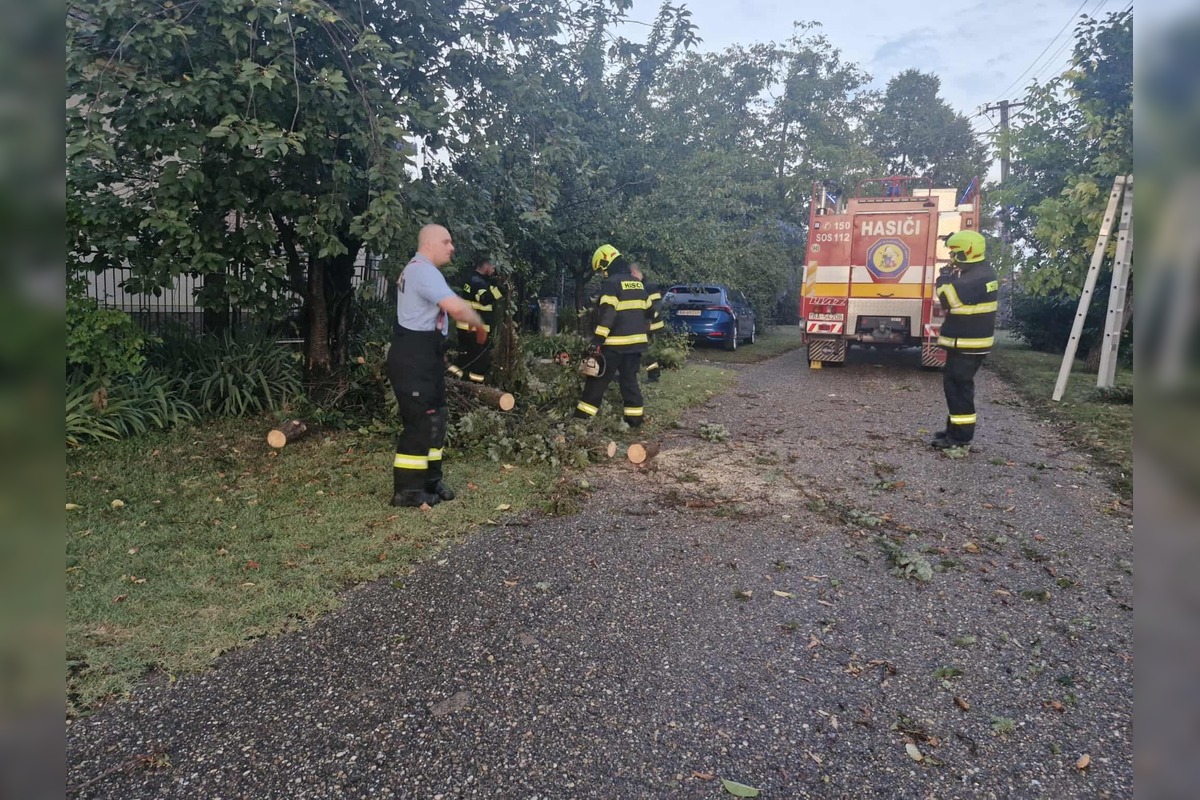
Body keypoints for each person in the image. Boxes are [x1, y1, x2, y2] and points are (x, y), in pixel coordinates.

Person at [388, 224, 486, 507]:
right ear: (430, 243)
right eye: (447, 241)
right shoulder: (422, 270)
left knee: (436, 419)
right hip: (413, 357)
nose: (452, 247)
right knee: (419, 423)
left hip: (426, 356)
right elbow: (454, 307)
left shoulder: (420, 270)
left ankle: (431, 481)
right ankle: (408, 491)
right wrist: (479, 324)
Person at [931, 229, 999, 449]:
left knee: (960, 390)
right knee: (955, 388)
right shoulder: (982, 272)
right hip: (967, 343)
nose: (952, 257)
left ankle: (959, 438)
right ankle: (954, 431)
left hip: (968, 344)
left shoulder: (975, 278)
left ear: (967, 252)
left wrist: (943, 280)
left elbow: (950, 300)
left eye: (955, 252)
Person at [574, 245, 651, 427]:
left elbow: (608, 314)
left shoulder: (611, 284)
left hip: (615, 344)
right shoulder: (638, 284)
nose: (602, 274)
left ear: (606, 262)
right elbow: (649, 311)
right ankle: (634, 421)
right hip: (636, 345)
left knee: (597, 380)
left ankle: (581, 420)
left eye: (601, 270)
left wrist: (597, 341)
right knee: (629, 381)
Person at [451, 258, 503, 383]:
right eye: (493, 267)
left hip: (465, 327)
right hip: (476, 330)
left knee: (465, 359)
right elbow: (484, 298)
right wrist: (500, 291)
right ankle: (476, 387)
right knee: (479, 362)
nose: (493, 270)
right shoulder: (478, 282)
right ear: (486, 265)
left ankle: (460, 384)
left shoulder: (470, 279)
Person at [630, 263, 665, 382]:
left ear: (635, 272)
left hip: (653, 325)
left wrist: (648, 321)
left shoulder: (649, 286)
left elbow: (656, 306)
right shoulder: (640, 286)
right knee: (644, 350)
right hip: (644, 325)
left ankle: (654, 376)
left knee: (649, 351)